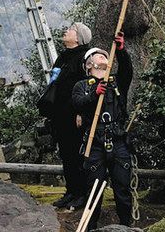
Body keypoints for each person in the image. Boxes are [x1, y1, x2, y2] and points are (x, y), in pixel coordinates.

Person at [72, 35, 134, 228]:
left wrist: (121, 51)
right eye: (100, 56)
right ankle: (90, 227)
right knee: (93, 190)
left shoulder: (116, 82)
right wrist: (94, 94)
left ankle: (126, 226)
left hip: (118, 140)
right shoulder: (81, 86)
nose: (104, 58)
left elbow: (127, 71)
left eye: (106, 56)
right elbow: (77, 104)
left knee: (122, 189)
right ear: (89, 64)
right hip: (94, 141)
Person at [48, 22, 93, 210]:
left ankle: (82, 193)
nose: (66, 31)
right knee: (66, 153)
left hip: (75, 115)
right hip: (60, 114)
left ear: (79, 38)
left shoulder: (84, 58)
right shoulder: (63, 57)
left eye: (71, 30)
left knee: (77, 154)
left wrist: (81, 112)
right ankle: (71, 191)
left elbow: (87, 85)